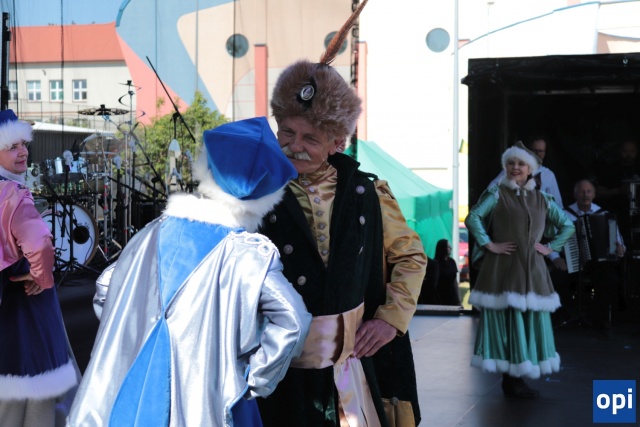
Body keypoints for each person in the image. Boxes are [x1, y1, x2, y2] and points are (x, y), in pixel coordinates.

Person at [67, 117, 312, 426]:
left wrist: (131, 336)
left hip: (133, 395)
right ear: (269, 194)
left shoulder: (153, 233)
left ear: (205, 168)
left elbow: (105, 286)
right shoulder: (248, 254)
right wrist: (253, 380)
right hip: (207, 404)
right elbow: (293, 320)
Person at [256, 4, 427, 427]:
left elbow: (410, 257)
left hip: (352, 373)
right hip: (277, 377)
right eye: (287, 132)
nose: (295, 145)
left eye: (310, 138)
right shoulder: (253, 193)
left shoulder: (368, 194)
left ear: (336, 143)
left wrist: (390, 320)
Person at [466, 141, 575, 399]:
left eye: (521, 164)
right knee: (511, 320)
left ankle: (517, 377)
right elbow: (473, 218)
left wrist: (550, 248)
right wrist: (489, 244)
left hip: (533, 270)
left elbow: (567, 225)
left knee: (527, 321)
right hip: (505, 268)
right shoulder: (497, 194)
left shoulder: (543, 199)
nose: (515, 167)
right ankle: (512, 379)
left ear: (531, 169)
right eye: (511, 163)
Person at [0, 109, 79, 427]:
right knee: (39, 390)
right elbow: (39, 242)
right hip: (26, 303)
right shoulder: (12, 194)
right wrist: (42, 276)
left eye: (24, 144)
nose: (23, 152)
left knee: (9, 392)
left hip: (6, 304)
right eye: (12, 146)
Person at [550, 179, 626, 326]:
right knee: (557, 277)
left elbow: (619, 242)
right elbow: (551, 241)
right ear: (575, 194)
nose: (585, 195)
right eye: (581, 192)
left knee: (611, 279)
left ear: (594, 194)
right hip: (570, 262)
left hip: (598, 264)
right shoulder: (563, 214)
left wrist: (620, 249)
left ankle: (597, 317)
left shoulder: (605, 215)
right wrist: (555, 258)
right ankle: (567, 314)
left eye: (589, 191)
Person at [487, 136, 563, 208]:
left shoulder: (548, 175)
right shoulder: (514, 168)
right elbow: (492, 187)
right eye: (535, 150)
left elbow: (557, 204)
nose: (537, 154)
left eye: (541, 151)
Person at [595, 139, 640, 245]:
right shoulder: (610, 169)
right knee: (615, 247)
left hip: (637, 217)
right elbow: (598, 193)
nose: (629, 154)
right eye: (625, 151)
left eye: (632, 151)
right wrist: (618, 190)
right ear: (619, 151)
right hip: (616, 216)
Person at [434, 239, 461, 306]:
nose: (450, 248)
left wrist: (458, 299)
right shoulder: (435, 264)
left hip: (452, 296)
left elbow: (455, 281)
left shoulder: (452, 262)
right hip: (440, 298)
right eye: (448, 247)